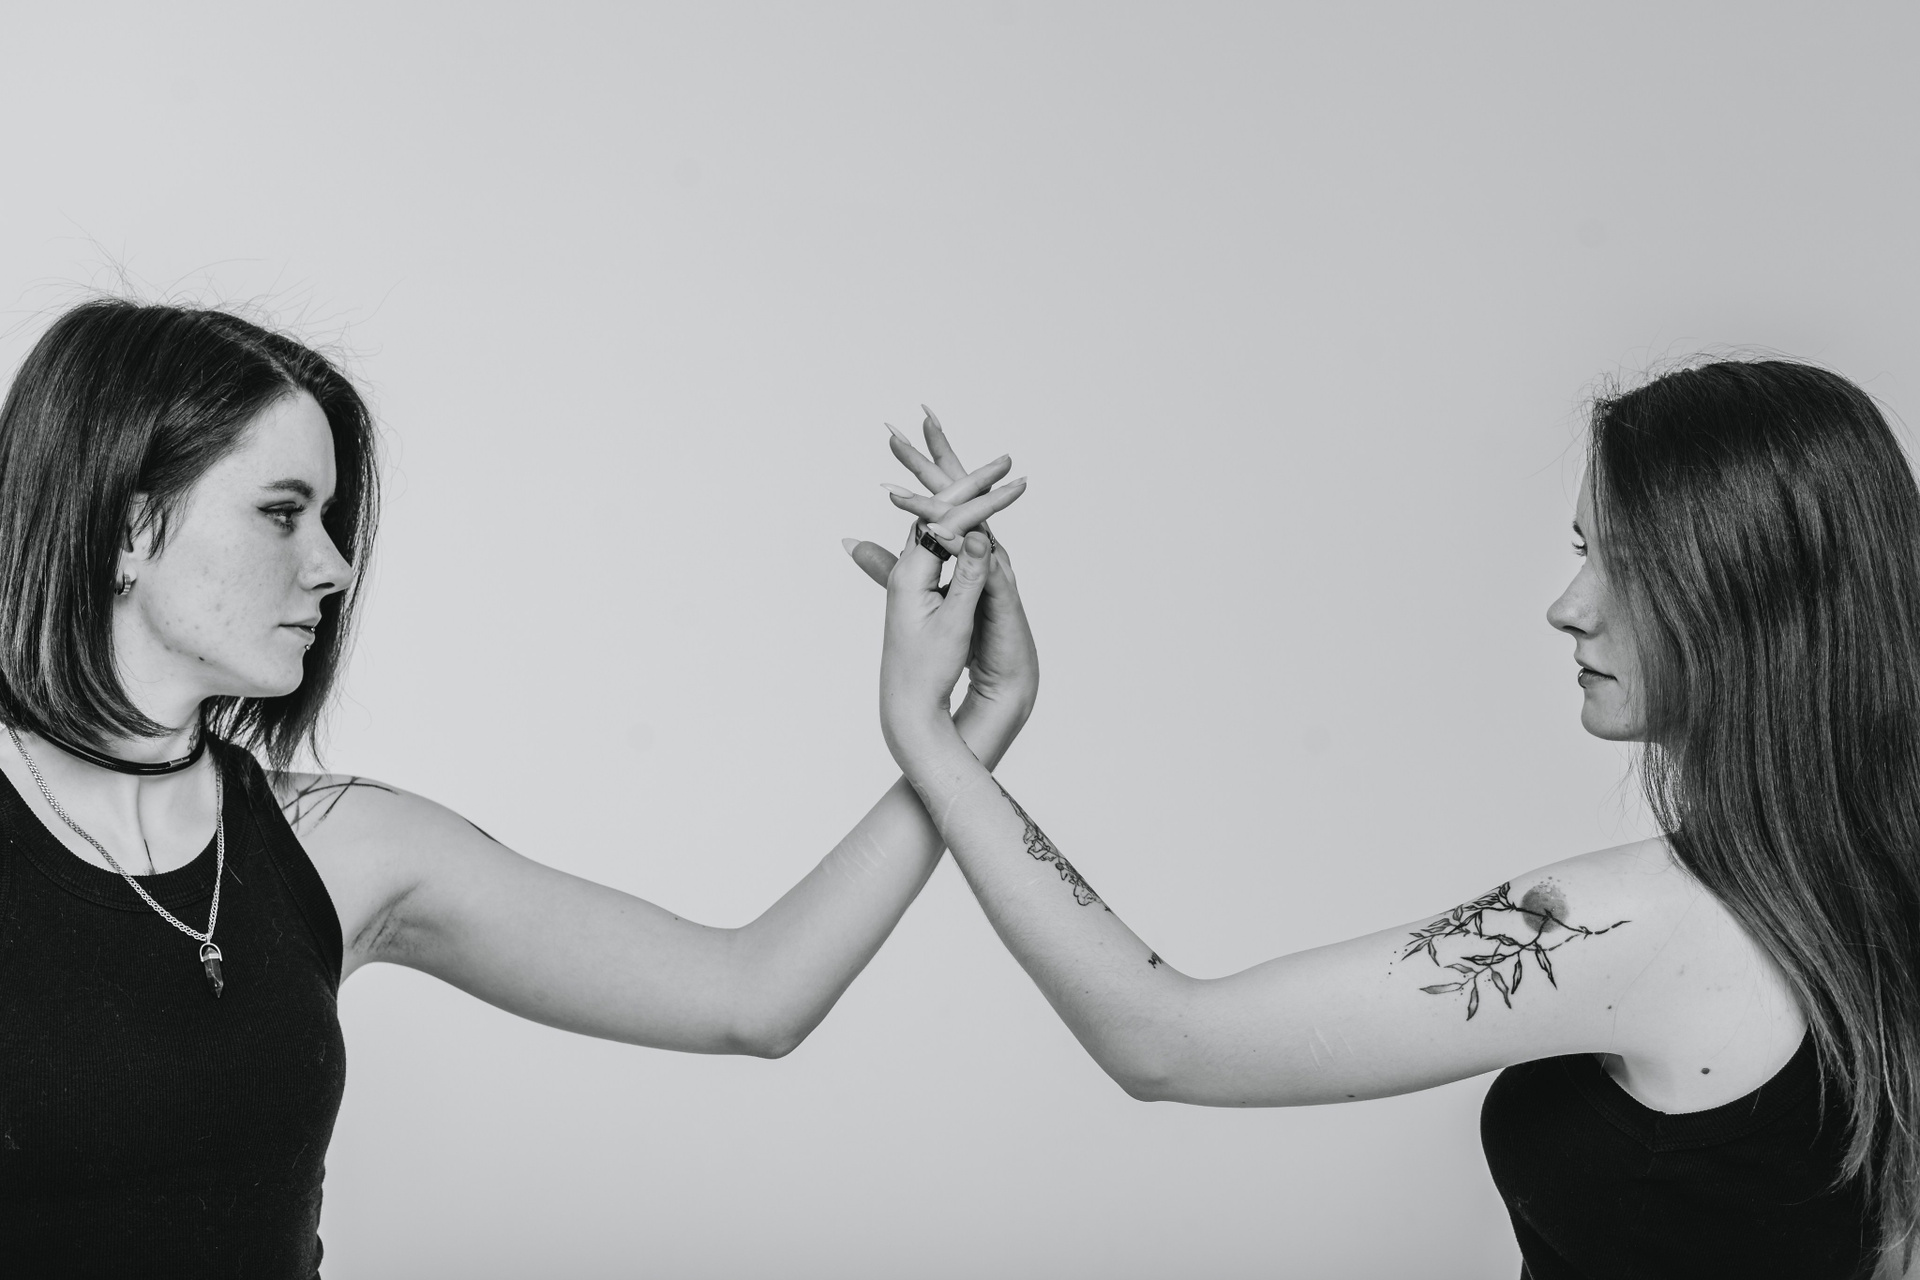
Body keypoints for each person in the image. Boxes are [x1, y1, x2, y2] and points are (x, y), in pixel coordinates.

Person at [0, 299, 1030, 1277]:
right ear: (130, 526)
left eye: (331, 516)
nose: (335, 565)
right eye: (282, 513)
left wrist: (958, 731)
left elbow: (753, 994)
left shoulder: (338, 845)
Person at [872, 361, 1913, 1279]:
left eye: (1628, 564)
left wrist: (938, 731)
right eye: (1582, 549)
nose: (1568, 605)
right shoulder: (1877, 892)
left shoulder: (1657, 924)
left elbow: (1164, 1040)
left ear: (1756, 596)